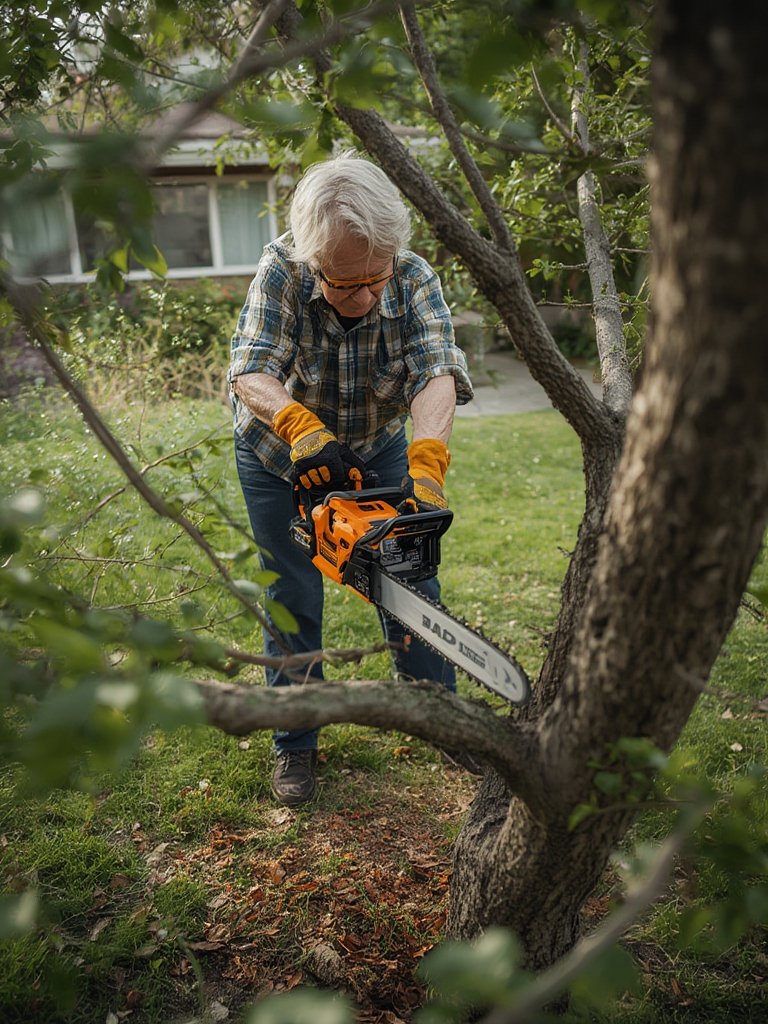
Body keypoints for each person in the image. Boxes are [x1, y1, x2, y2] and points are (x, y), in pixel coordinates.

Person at [228, 152, 474, 807]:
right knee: (293, 593)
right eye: (344, 284)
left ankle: (437, 715)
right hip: (280, 459)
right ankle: (296, 744)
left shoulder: (414, 277)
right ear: (313, 261)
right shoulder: (280, 271)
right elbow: (251, 367)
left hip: (378, 449)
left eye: (375, 278)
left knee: (408, 574)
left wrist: (427, 463)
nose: (364, 296)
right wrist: (297, 424)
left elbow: (435, 372)